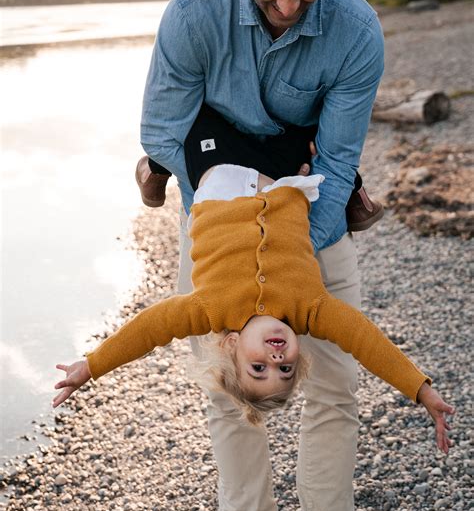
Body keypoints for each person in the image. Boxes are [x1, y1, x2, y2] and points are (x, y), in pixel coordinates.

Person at [134, 0, 403, 511]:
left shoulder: (357, 29)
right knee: (229, 396)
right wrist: (244, 256)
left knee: (337, 389)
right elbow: (163, 130)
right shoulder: (194, 11)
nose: (288, 5)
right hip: (218, 210)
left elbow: (337, 164)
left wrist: (285, 267)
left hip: (312, 207)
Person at [54, 105, 453, 454]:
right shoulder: (312, 310)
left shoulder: (208, 310)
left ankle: (154, 168)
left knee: (197, 108)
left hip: (216, 161)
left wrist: (90, 367)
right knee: (306, 122)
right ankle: (354, 193)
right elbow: (367, 342)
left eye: (257, 368)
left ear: (232, 346)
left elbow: (147, 331)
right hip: (281, 170)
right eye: (285, 370)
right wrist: (421, 390)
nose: (276, 361)